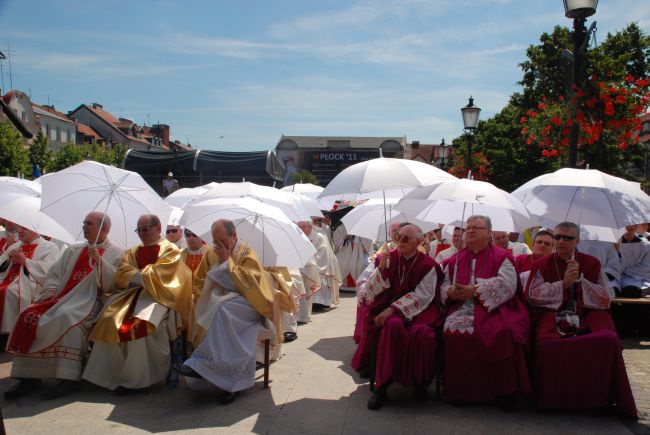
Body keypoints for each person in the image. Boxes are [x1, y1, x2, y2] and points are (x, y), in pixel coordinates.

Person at [5, 212, 123, 399]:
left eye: (89, 223)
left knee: (68, 319)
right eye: (84, 222)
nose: (84, 226)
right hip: (61, 298)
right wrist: (50, 291)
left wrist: (100, 262)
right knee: (28, 314)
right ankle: (28, 377)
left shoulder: (116, 252)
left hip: (89, 302)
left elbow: (113, 283)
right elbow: (54, 275)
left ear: (105, 229)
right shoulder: (73, 250)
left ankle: (68, 378)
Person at [525, 222, 637, 417]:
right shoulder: (541, 264)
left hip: (588, 313)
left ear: (577, 240)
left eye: (567, 238)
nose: (561, 241)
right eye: (558, 237)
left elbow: (605, 298)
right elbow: (533, 296)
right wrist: (563, 284)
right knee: (546, 343)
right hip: (552, 312)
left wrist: (580, 281)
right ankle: (552, 401)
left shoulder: (592, 263)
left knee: (607, 341)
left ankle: (597, 400)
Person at [82, 214, 192, 393]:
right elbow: (122, 273)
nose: (141, 233)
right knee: (109, 319)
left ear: (157, 228)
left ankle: (136, 380)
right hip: (132, 295)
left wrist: (138, 275)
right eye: (138, 230)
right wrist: (142, 275)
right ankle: (110, 376)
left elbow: (165, 278)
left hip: (160, 298)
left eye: (145, 229)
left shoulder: (170, 250)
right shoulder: (133, 251)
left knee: (137, 326)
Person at [175, 219, 274, 404]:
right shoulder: (211, 253)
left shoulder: (246, 252)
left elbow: (251, 287)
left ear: (234, 235)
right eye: (215, 241)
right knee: (217, 309)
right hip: (221, 302)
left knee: (222, 309)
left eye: (222, 240)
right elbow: (199, 282)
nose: (219, 245)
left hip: (249, 305)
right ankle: (206, 369)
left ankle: (222, 376)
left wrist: (226, 262)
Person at [440, 215, 530, 409]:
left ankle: (503, 392)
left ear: (489, 233)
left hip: (497, 307)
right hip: (462, 307)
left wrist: (474, 290)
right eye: (468, 228)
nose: (470, 231)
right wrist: (450, 292)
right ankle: (460, 391)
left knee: (505, 331)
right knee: (452, 328)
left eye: (476, 228)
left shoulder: (502, 256)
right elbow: (444, 284)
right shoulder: (454, 259)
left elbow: (507, 283)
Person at [352, 224, 443, 410]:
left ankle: (419, 384)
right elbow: (369, 292)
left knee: (422, 333)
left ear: (417, 242)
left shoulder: (429, 265)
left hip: (421, 310)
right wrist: (382, 270)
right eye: (398, 236)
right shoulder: (387, 259)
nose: (399, 241)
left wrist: (393, 309)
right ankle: (382, 386)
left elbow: (423, 295)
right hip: (391, 311)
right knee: (392, 327)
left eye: (405, 238)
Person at [0, 225, 60, 337]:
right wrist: (8, 260)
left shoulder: (50, 247)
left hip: (31, 284)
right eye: (19, 228)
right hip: (6, 279)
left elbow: (49, 272)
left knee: (8, 292)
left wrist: (25, 261)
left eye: (24, 228)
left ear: (35, 230)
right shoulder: (17, 245)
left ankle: (8, 335)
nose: (19, 231)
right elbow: (2, 263)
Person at [299, 221, 342, 311]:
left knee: (311, 272)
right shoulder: (300, 237)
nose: (301, 229)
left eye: (303, 227)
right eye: (300, 227)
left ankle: (321, 302)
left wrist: (310, 263)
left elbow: (323, 254)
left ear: (310, 227)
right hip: (305, 265)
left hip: (319, 265)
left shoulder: (319, 237)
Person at [333, 223, 373, 291]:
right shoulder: (341, 228)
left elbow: (368, 244)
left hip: (360, 253)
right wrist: (346, 237)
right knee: (339, 262)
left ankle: (360, 284)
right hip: (345, 252)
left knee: (363, 263)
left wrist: (359, 236)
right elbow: (336, 243)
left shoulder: (365, 228)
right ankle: (342, 283)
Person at [618, 224, 650, 297]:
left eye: (632, 226)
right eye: (627, 226)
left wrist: (626, 271)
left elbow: (647, 266)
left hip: (643, 278)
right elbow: (615, 262)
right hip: (623, 279)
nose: (629, 228)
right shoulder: (617, 244)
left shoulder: (646, 245)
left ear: (636, 227)